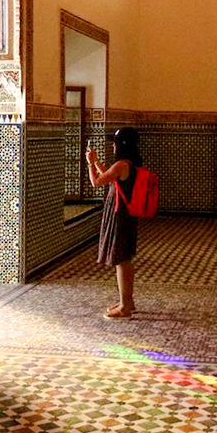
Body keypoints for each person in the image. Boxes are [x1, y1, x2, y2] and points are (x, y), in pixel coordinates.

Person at [87, 126, 143, 319]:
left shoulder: (121, 165)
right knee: (124, 257)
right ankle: (126, 301)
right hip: (127, 214)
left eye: (115, 143)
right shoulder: (132, 163)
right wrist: (96, 162)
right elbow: (111, 176)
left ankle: (125, 307)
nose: (113, 146)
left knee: (121, 259)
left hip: (120, 215)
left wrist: (89, 165)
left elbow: (97, 182)